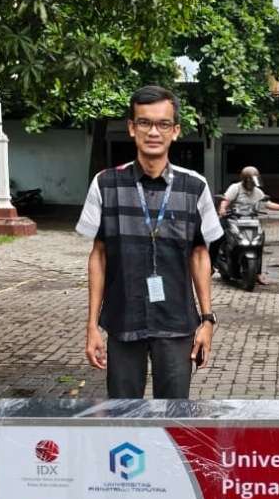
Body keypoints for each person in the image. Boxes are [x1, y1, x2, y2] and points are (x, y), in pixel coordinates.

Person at [76, 85, 223, 399]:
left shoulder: (195, 187)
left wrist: (207, 320)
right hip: (123, 320)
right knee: (123, 413)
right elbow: (98, 255)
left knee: (174, 414)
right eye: (144, 122)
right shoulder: (105, 184)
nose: (154, 132)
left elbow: (200, 254)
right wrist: (91, 325)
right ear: (132, 127)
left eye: (163, 124)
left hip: (177, 323)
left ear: (175, 131)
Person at [218, 166, 279, 285]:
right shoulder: (235, 188)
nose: (253, 183)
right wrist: (223, 209)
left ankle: (258, 273)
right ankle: (214, 262)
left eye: (254, 180)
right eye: (251, 181)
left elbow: (268, 204)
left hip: (250, 220)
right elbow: (226, 200)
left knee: (259, 242)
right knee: (218, 236)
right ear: (245, 180)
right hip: (233, 219)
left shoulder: (257, 191)